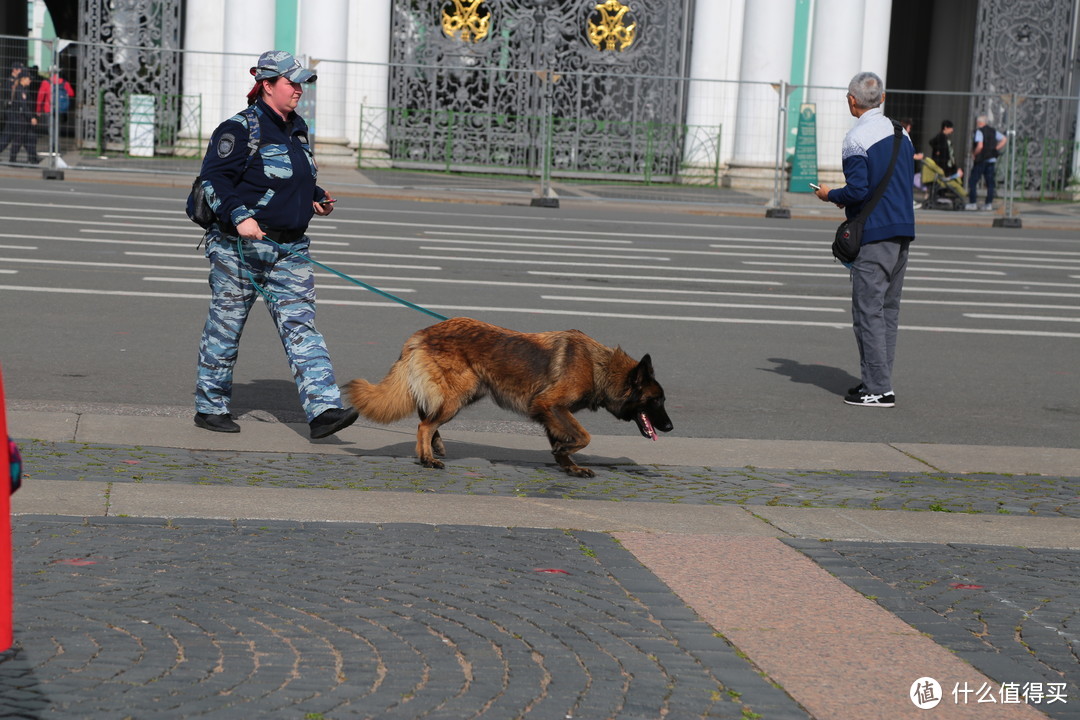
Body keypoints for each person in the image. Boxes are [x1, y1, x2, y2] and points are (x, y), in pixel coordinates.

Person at [190, 50, 358, 438]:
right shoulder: (238, 129)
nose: (299, 90)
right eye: (291, 83)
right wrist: (240, 217)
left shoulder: (297, 127)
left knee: (302, 326)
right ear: (267, 85)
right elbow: (214, 181)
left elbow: (293, 177)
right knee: (226, 325)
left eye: (301, 83)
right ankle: (210, 405)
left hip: (291, 249)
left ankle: (324, 412)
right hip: (239, 249)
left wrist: (314, 195)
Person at [813, 71, 915, 408]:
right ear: (882, 99)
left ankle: (880, 390)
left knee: (868, 311)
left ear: (852, 101)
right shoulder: (902, 134)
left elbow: (858, 189)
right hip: (902, 232)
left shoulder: (856, 138)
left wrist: (830, 194)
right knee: (888, 311)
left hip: (874, 234)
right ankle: (876, 380)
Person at [966, 115, 1006, 211]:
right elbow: (1004, 139)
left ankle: (973, 203)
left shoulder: (979, 131)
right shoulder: (993, 131)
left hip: (981, 160)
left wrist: (974, 154)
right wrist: (995, 149)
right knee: (990, 183)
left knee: (973, 181)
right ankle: (988, 204)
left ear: (979, 123)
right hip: (991, 160)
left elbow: (980, 146)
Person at [6, 70, 39, 164]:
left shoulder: (24, 89)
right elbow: (24, 105)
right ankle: (12, 159)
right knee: (19, 139)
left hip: (24, 118)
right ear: (23, 79)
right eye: (29, 79)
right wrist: (31, 117)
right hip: (20, 118)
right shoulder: (20, 90)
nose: (30, 81)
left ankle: (33, 159)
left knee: (30, 139)